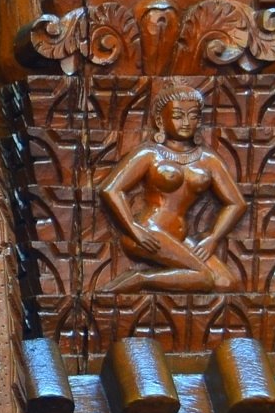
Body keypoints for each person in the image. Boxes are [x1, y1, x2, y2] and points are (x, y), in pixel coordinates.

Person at [100, 86, 245, 292]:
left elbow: (237, 203)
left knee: (225, 282)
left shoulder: (207, 160)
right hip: (149, 233)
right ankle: (140, 278)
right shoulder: (150, 154)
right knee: (203, 277)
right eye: (178, 116)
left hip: (179, 238)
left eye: (193, 116)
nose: (186, 123)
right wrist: (134, 229)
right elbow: (110, 190)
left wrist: (213, 237)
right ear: (160, 121)